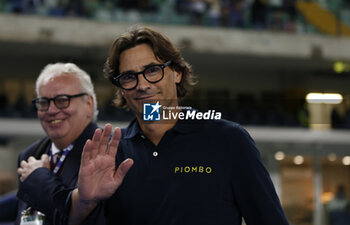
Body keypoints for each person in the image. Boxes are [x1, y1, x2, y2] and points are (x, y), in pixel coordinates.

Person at [59, 26, 290, 225]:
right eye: (129, 77)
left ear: (177, 73)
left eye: (152, 71)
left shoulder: (229, 140)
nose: (142, 85)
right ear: (121, 88)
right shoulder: (110, 154)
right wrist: (86, 203)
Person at [15, 63, 100, 225]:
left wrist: (40, 178)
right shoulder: (29, 155)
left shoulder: (106, 151)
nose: (51, 110)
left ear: (88, 104)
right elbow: (26, 215)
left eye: (62, 100)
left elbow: (82, 216)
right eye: (43, 102)